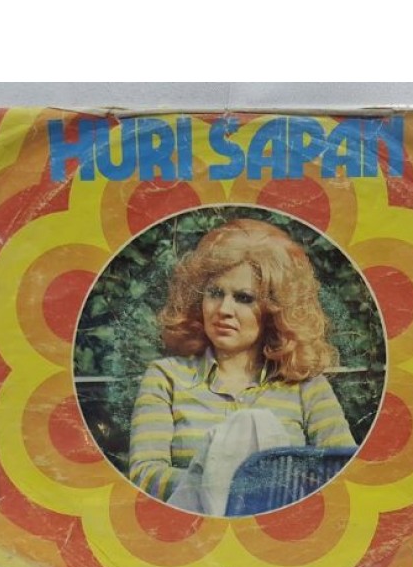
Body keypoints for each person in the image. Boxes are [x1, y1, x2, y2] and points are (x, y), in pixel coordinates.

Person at [128, 218, 356, 513]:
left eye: (244, 298)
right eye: (215, 293)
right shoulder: (166, 377)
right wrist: (217, 483)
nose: (224, 309)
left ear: (275, 310)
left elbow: (343, 470)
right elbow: (145, 475)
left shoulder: (306, 386)